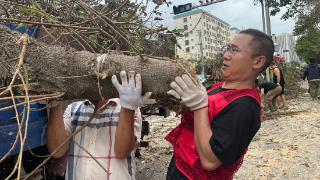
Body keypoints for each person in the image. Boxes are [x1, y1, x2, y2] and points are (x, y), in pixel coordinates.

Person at [165, 29, 274, 179]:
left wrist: (199, 106)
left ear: (258, 61)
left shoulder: (244, 107)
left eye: (235, 50)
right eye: (228, 48)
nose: (226, 55)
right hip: (180, 165)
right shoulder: (219, 87)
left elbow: (210, 161)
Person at [47, 71, 151, 180]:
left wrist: (129, 108)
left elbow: (121, 152)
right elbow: (57, 151)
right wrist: (54, 103)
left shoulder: (127, 108)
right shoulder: (73, 109)